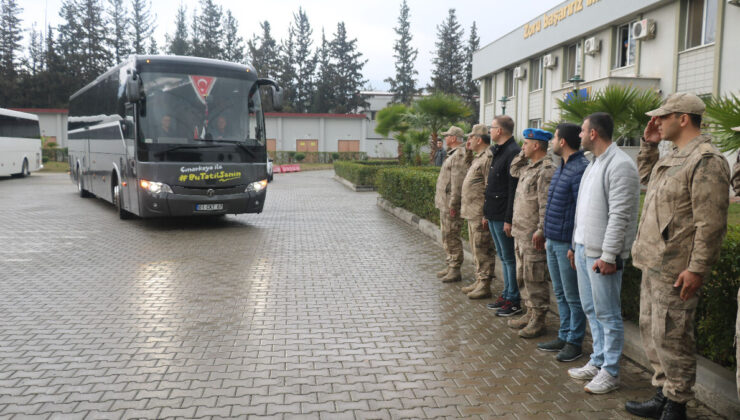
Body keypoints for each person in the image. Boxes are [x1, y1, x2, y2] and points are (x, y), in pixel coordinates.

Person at [626, 93, 730, 420]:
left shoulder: (706, 160)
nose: (655, 121)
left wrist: (697, 268)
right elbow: (645, 179)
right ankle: (663, 392)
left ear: (683, 118)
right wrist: (648, 144)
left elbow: (710, 223)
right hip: (654, 262)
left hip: (677, 268)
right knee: (654, 335)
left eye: (662, 116)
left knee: (674, 338)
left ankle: (677, 403)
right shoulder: (675, 155)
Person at [567, 112, 640, 395]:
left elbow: (620, 215)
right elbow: (583, 210)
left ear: (594, 133)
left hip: (603, 255)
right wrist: (576, 244)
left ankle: (611, 371)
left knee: (608, 314)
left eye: (583, 131)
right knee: (591, 309)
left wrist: (609, 256)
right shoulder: (593, 163)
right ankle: (597, 361)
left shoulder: (621, 164)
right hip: (585, 249)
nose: (580, 136)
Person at [536, 123, 589, 362]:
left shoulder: (579, 168)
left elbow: (582, 210)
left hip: (566, 242)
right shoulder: (562, 166)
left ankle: (574, 342)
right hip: (552, 239)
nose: (552, 142)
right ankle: (564, 334)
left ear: (563, 141)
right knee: (560, 292)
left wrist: (573, 246)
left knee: (572, 296)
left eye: (555, 137)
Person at [506, 128, 555, 338]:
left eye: (526, 144)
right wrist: (522, 154)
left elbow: (546, 205)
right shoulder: (528, 168)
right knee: (523, 276)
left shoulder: (546, 170)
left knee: (535, 277)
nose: (522, 147)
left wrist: (541, 230)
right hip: (521, 232)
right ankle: (529, 312)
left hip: (533, 234)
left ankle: (539, 319)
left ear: (536, 145)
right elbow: (513, 170)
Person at [483, 116, 522, 317]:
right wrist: (486, 213)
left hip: (502, 214)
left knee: (508, 258)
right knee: (503, 256)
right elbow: (491, 186)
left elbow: (512, 189)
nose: (490, 130)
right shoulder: (499, 151)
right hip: (493, 212)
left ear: (500, 131)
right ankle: (507, 294)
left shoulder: (513, 152)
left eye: (492, 127)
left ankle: (513, 298)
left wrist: (509, 219)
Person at [460, 124, 496, 299]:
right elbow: (466, 166)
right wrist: (468, 151)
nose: (468, 141)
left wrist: (486, 214)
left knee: (482, 248)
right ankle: (479, 279)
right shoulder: (478, 157)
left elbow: (490, 186)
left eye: (471, 138)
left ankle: (485, 283)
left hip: (479, 212)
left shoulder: (488, 157)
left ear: (479, 139)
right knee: (476, 248)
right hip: (472, 211)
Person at [434, 126, 470, 283]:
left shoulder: (459, 156)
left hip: (450, 204)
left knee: (452, 235)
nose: (445, 138)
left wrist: (454, 205)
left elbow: (457, 183)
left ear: (454, 138)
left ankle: (455, 268)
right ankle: (450, 264)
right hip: (445, 202)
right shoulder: (452, 154)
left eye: (447, 135)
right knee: (446, 235)